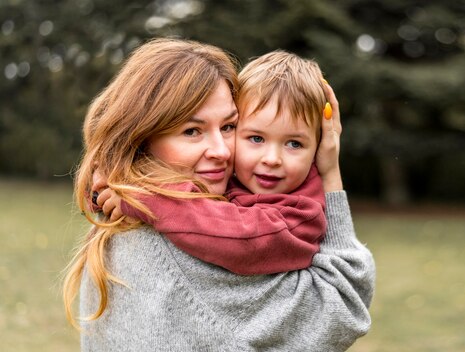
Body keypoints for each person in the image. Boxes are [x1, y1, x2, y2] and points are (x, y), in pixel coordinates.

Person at [63, 38, 375, 351]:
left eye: (228, 126)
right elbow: (341, 305)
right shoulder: (167, 244)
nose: (222, 150)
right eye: (192, 131)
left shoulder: (126, 213)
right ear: (142, 136)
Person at [95, 50, 333, 275]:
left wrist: (144, 199)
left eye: (294, 144)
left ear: (319, 147)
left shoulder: (303, 213)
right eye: (256, 138)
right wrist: (108, 184)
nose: (271, 159)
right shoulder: (237, 179)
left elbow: (242, 238)